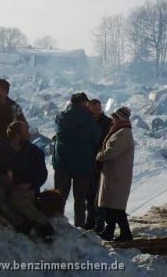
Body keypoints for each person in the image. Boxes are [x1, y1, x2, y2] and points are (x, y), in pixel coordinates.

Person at [0, 122, 54, 241]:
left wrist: (31, 184)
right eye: (25, 132)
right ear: (17, 135)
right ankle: (21, 223)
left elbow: (42, 173)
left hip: (26, 186)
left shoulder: (34, 152)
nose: (28, 134)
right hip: (6, 184)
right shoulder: (2, 150)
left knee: (16, 197)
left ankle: (44, 224)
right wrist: (1, 176)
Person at [53, 93, 101, 228]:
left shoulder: (61, 116)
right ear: (84, 103)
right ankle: (79, 227)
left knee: (59, 198)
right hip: (82, 164)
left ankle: (58, 226)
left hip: (62, 163)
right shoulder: (89, 119)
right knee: (80, 201)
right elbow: (96, 136)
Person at [96, 106, 134, 242]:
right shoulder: (121, 131)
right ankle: (109, 230)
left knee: (116, 207)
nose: (112, 120)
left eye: (114, 118)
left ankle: (125, 234)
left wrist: (99, 155)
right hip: (114, 173)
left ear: (120, 119)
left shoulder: (123, 133)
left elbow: (111, 151)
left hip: (117, 174)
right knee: (111, 206)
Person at [85, 99, 112, 231]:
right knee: (89, 196)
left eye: (98, 109)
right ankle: (90, 221)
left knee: (99, 196)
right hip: (87, 164)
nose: (96, 112)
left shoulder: (107, 123)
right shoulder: (85, 122)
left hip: (101, 164)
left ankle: (100, 223)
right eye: (93, 110)